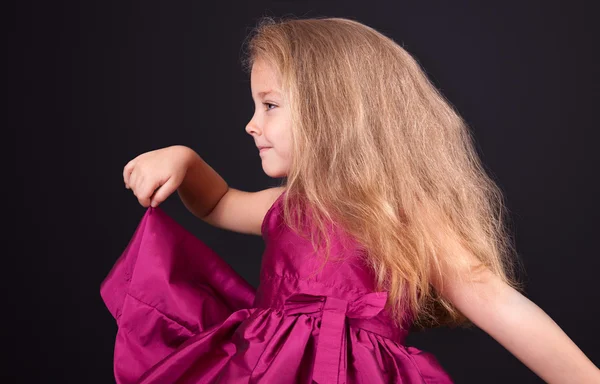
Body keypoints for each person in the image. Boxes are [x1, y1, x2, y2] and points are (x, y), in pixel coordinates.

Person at [101, 16, 600, 384]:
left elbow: (496, 301)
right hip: (259, 369)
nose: (251, 124)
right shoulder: (289, 208)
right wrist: (185, 161)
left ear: (334, 110)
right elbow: (217, 204)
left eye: (270, 105)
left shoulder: (403, 218)